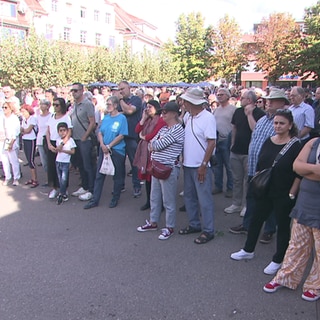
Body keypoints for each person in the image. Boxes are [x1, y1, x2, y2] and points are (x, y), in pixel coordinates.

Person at [231, 109, 302, 275]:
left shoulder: (296, 145)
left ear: (290, 125)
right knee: (256, 220)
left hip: (284, 192)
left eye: (282, 123)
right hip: (265, 189)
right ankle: (248, 249)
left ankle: (278, 259)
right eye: (276, 123)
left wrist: (292, 192)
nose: (277, 126)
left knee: (283, 226)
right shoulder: (269, 140)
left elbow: (299, 172)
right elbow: (261, 163)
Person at [263, 137, 320, 302]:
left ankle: (314, 285)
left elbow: (302, 169)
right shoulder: (314, 142)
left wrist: (307, 171)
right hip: (305, 205)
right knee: (296, 245)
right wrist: (313, 169)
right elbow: (297, 166)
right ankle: (285, 278)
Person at [229, 89, 290, 243]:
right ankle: (247, 225)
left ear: (282, 103)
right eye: (268, 99)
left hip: (269, 169)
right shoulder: (264, 119)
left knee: (269, 200)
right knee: (252, 197)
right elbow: (255, 135)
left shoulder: (283, 121)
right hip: (254, 165)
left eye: (273, 100)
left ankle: (269, 230)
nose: (268, 102)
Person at [137, 102, 184, 240]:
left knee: (168, 200)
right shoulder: (164, 129)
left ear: (174, 114)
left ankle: (170, 227)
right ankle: (153, 222)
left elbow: (157, 144)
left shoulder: (177, 129)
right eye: (162, 112)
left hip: (168, 167)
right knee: (154, 197)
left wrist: (155, 145)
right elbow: (153, 142)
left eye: (165, 112)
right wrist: (154, 145)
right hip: (156, 166)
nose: (162, 114)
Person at [178, 88, 216, 244]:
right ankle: (194, 224)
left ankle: (208, 230)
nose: (183, 104)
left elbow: (211, 142)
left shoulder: (207, 118)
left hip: (200, 165)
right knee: (189, 197)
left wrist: (204, 164)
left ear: (192, 102)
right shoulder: (188, 116)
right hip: (188, 164)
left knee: (204, 199)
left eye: (185, 101)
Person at [224, 90, 265, 214]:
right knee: (237, 179)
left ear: (250, 100)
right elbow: (234, 128)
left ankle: (247, 205)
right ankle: (236, 203)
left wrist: (249, 115)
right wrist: (232, 143)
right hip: (236, 151)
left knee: (248, 180)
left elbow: (255, 129)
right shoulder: (237, 111)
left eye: (243, 98)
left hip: (249, 153)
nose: (240, 99)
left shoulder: (259, 113)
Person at [84, 96, 128, 209]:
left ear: (115, 105)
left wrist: (109, 146)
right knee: (100, 175)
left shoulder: (122, 118)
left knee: (117, 175)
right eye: (107, 104)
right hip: (104, 149)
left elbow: (122, 135)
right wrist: (103, 145)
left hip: (116, 150)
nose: (107, 106)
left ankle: (115, 198)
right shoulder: (106, 118)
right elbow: (100, 132)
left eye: (109, 104)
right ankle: (95, 199)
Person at [133, 100, 166, 210]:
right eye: (146, 107)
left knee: (155, 179)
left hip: (154, 152)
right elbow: (137, 129)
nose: (147, 109)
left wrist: (143, 137)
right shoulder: (147, 120)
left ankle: (159, 204)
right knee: (147, 179)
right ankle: (149, 201)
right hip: (145, 152)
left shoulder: (161, 120)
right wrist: (143, 118)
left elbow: (153, 135)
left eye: (150, 107)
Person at [114, 81, 143, 198]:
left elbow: (130, 111)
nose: (121, 91)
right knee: (119, 164)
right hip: (119, 137)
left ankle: (137, 186)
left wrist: (121, 102)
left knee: (134, 163)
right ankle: (120, 185)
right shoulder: (118, 102)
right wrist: (123, 110)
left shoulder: (136, 100)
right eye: (119, 89)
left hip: (132, 136)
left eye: (123, 88)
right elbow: (114, 113)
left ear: (129, 88)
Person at [70, 83, 97, 201]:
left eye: (76, 90)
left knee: (88, 165)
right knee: (80, 164)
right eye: (72, 90)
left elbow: (92, 122)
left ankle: (91, 189)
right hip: (75, 139)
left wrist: (85, 136)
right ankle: (84, 186)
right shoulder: (75, 105)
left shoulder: (87, 104)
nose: (74, 93)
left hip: (85, 139)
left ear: (81, 91)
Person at [46, 97, 73, 199]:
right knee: (52, 166)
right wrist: (49, 144)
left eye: (57, 105)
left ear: (62, 106)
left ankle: (63, 188)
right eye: (54, 105)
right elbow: (48, 131)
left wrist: (62, 144)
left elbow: (69, 131)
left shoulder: (66, 117)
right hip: (52, 142)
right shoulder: (52, 116)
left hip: (62, 143)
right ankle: (54, 187)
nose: (55, 107)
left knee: (62, 168)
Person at [212, 88, 236, 197]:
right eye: (218, 94)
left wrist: (232, 141)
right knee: (217, 165)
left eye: (221, 94)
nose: (219, 96)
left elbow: (236, 126)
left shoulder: (233, 109)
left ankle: (230, 188)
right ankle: (218, 186)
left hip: (227, 139)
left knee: (229, 166)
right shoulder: (216, 110)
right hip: (217, 140)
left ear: (227, 96)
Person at [55, 122, 76, 205]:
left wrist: (63, 150)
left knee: (64, 179)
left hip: (66, 162)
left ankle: (62, 194)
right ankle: (63, 192)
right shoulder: (58, 140)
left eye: (64, 130)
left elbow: (73, 151)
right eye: (60, 130)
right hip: (58, 161)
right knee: (60, 179)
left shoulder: (70, 140)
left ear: (67, 131)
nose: (62, 132)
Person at [1, 102, 21, 186]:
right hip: (2, 141)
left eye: (6, 107)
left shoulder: (14, 118)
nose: (4, 109)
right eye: (3, 107)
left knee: (13, 160)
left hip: (12, 140)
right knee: (4, 160)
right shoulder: (2, 117)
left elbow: (16, 131)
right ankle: (7, 177)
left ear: (10, 109)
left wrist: (11, 143)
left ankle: (16, 177)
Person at [20, 104, 39, 188]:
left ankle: (35, 179)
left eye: (24, 111)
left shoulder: (33, 119)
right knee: (28, 158)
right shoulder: (24, 120)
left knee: (31, 160)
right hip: (25, 139)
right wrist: (24, 131)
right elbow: (21, 130)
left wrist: (24, 131)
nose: (22, 113)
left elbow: (28, 130)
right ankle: (32, 178)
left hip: (31, 139)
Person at [36, 99, 52, 182]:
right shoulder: (38, 117)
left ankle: (52, 178)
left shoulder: (51, 116)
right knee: (43, 161)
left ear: (48, 106)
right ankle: (48, 178)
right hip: (39, 140)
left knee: (50, 160)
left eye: (43, 104)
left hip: (47, 140)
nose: (41, 106)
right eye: (41, 104)